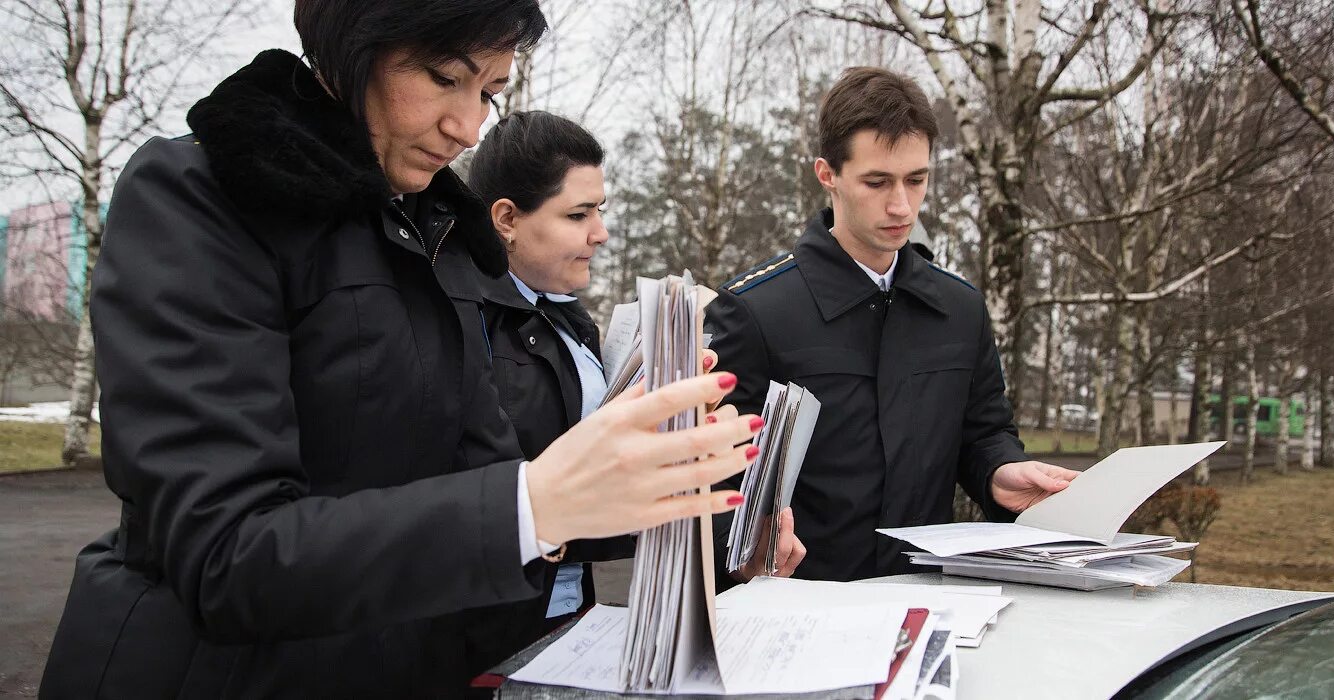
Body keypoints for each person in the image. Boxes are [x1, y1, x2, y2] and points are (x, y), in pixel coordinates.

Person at [40, 2, 763, 697]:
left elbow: (485, 484)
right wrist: (537, 500)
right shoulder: (200, 194)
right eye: (445, 78)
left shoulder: (436, 232)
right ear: (357, 40)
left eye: (491, 91)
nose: (468, 125)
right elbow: (226, 556)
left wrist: (667, 489)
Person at [706, 67, 1080, 584]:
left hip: (926, 605)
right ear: (827, 173)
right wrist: (740, 546)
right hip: (796, 611)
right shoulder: (753, 310)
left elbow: (983, 432)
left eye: (917, 179)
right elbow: (710, 474)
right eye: (877, 182)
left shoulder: (960, 308)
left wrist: (999, 471)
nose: (902, 205)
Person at [468, 111, 806, 643]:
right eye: (578, 214)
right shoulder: (463, 324)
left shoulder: (570, 321)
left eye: (599, 210)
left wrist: (730, 539)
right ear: (506, 218)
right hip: (484, 637)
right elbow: (488, 503)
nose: (600, 233)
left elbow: (607, 494)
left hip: (566, 617)